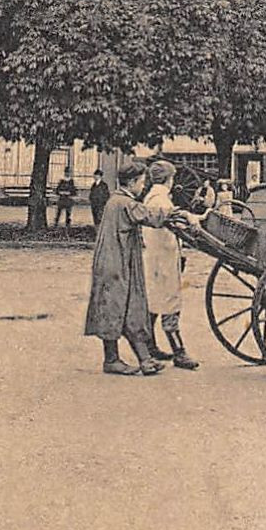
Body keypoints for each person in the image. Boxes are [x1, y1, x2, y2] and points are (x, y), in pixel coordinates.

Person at [84, 161, 164, 376]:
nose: (143, 186)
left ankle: (145, 360)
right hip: (116, 262)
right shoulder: (125, 203)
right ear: (132, 182)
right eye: (142, 182)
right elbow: (152, 217)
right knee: (116, 307)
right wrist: (177, 214)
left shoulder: (116, 200)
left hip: (116, 259)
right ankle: (111, 360)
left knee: (129, 306)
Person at [141, 160, 201, 370]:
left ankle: (149, 346)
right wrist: (196, 221)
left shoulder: (154, 196)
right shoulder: (160, 199)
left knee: (155, 298)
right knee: (170, 300)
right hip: (163, 258)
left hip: (157, 256)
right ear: (169, 179)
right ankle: (179, 352)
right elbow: (178, 219)